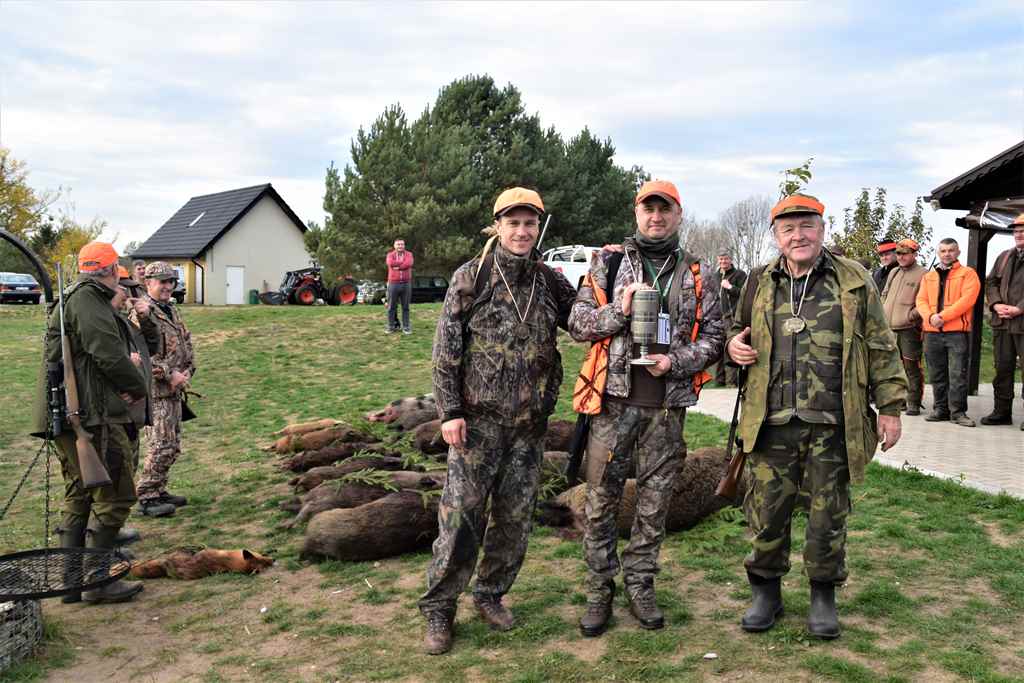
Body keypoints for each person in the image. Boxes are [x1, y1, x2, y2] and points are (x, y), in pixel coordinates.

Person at [726, 193, 906, 639]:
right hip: (770, 420)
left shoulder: (853, 279)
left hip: (834, 422)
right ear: (777, 236)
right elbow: (734, 329)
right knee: (766, 513)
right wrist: (733, 346)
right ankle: (765, 592)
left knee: (828, 516)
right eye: (788, 229)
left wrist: (890, 407)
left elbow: (882, 345)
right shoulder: (759, 280)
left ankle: (823, 595)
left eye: (807, 226)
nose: (798, 236)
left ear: (822, 230)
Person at [420, 187, 577, 655]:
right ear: (498, 226)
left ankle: (490, 594)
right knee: (461, 519)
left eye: (530, 223)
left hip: (529, 427)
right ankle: (439, 607)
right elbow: (445, 351)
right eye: (514, 223)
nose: (522, 232)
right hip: (477, 426)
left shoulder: (549, 281)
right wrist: (450, 412)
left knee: (514, 520)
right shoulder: (472, 277)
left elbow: (584, 321)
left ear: (539, 227)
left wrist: (614, 287)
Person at [568, 180, 724, 637]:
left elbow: (715, 338)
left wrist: (675, 362)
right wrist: (620, 310)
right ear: (636, 213)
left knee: (654, 506)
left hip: (666, 410)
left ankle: (641, 586)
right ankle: (599, 592)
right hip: (612, 406)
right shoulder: (609, 262)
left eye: (664, 209)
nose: (656, 217)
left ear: (678, 214)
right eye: (648, 209)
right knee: (601, 503)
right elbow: (578, 323)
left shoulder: (698, 272)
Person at [30, 242, 150, 603]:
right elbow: (108, 354)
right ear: (111, 270)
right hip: (89, 416)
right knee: (116, 495)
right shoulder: (87, 300)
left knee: (81, 495)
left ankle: (72, 583)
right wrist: (137, 387)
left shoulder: (76, 297)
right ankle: (97, 581)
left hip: (73, 413)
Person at [130, 262, 196, 516]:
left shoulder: (170, 309)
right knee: (161, 444)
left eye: (171, 281)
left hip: (174, 390)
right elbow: (140, 356)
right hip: (156, 392)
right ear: (148, 283)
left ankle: (158, 489)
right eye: (162, 282)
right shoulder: (141, 313)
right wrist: (170, 374)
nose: (168, 286)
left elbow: (185, 340)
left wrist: (188, 369)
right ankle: (147, 496)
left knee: (173, 445)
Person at [916, 238, 981, 427]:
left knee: (957, 374)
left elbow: (967, 300)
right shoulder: (928, 277)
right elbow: (920, 300)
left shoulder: (968, 274)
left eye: (951, 250)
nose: (947, 254)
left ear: (958, 252)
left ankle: (958, 413)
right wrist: (930, 317)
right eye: (943, 251)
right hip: (932, 332)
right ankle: (940, 409)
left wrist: (942, 317)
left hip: (957, 333)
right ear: (938, 253)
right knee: (936, 374)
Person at [981, 214, 1024, 430]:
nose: (1019, 234)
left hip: (1022, 321)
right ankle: (1002, 412)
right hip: (1003, 324)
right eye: (1016, 231)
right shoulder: (1004, 257)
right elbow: (991, 282)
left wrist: (1020, 308)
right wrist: (996, 304)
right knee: (1003, 368)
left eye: (1023, 231)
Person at [881, 239, 927, 415]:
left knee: (911, 367)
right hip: (889, 328)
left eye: (905, 253)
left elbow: (925, 301)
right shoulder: (893, 272)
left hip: (909, 329)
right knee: (893, 367)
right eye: (898, 253)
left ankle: (913, 401)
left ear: (914, 254)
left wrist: (910, 316)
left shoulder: (924, 274)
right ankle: (899, 400)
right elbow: (884, 295)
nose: (901, 257)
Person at [713, 250, 747, 386]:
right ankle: (719, 381)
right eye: (721, 259)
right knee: (718, 348)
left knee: (731, 347)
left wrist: (730, 287)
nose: (723, 262)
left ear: (731, 260)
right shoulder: (715, 276)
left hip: (731, 318)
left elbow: (744, 294)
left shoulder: (740, 274)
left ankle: (731, 382)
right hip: (716, 319)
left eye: (726, 259)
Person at [386, 238, 414, 334]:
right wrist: (402, 264)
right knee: (391, 307)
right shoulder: (390, 255)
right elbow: (390, 263)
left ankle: (406, 327)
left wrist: (398, 267)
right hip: (393, 283)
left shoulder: (409, 254)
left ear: (404, 245)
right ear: (394, 246)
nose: (400, 246)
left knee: (405, 307)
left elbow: (409, 263)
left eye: (402, 244)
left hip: (406, 284)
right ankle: (391, 327)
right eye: (398, 244)